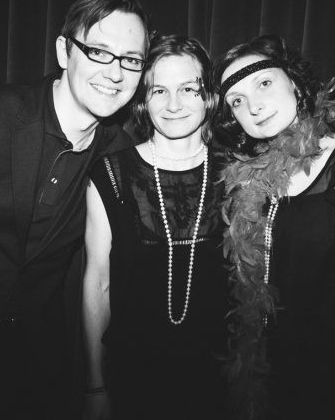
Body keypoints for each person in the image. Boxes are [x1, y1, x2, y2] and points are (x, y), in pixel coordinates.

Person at [213, 34, 335, 420]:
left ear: (293, 81)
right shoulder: (251, 180)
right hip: (283, 381)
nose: (253, 106)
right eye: (236, 100)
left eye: (264, 83)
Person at [0, 0, 149, 420]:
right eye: (99, 52)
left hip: (37, 371)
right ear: (63, 51)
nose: (115, 72)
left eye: (131, 59)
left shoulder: (119, 156)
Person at [83, 34, 229, 420]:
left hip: (220, 381)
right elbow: (98, 282)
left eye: (188, 89)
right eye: (159, 90)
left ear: (209, 96)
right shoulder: (110, 173)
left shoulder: (239, 173)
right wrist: (95, 385)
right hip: (134, 377)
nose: (173, 104)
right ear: (143, 101)